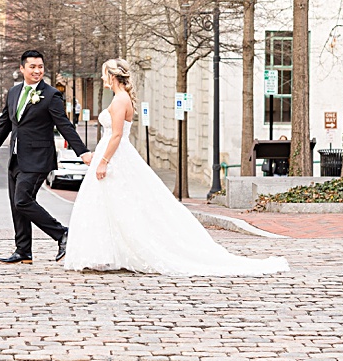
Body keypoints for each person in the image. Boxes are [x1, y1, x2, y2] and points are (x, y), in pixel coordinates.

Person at [64, 58, 288, 275]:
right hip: (114, 154)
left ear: (112, 76)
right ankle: (107, 254)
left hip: (115, 157)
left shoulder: (120, 99)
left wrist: (103, 161)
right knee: (111, 204)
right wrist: (99, 154)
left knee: (118, 203)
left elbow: (116, 136)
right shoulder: (120, 99)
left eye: (105, 73)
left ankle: (113, 253)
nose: (103, 78)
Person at [0, 50, 92, 264]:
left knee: (23, 200)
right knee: (17, 205)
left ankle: (62, 234)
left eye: (40, 67)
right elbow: (5, 124)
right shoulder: (14, 93)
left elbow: (64, 126)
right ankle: (23, 251)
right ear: (22, 69)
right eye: (32, 67)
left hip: (39, 159)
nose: (37, 70)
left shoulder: (51, 95)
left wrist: (83, 152)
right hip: (16, 157)